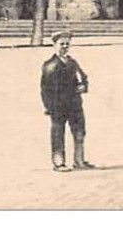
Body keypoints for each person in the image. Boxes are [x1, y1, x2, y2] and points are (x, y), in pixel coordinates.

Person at [40, 32, 93, 171]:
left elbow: (83, 77)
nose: (64, 47)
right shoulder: (50, 65)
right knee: (58, 133)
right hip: (58, 106)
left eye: (67, 44)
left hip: (75, 104)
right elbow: (45, 89)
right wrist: (48, 106)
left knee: (79, 132)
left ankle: (79, 160)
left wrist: (83, 86)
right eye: (61, 44)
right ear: (54, 45)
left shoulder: (72, 62)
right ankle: (58, 163)